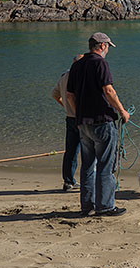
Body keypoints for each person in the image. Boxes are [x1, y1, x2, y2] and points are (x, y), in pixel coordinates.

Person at [66, 32, 130, 217]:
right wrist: (122, 111)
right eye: (108, 46)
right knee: (105, 165)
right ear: (101, 46)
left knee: (87, 165)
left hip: (83, 123)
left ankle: (87, 206)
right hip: (101, 121)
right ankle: (105, 206)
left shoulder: (77, 65)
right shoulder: (100, 63)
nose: (108, 49)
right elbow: (108, 90)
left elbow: (70, 95)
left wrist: (78, 115)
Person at [51, 54, 84, 191]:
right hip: (81, 118)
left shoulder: (64, 76)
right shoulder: (80, 77)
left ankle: (68, 181)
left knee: (70, 151)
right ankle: (88, 181)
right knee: (89, 151)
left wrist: (65, 106)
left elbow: (54, 94)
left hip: (69, 117)